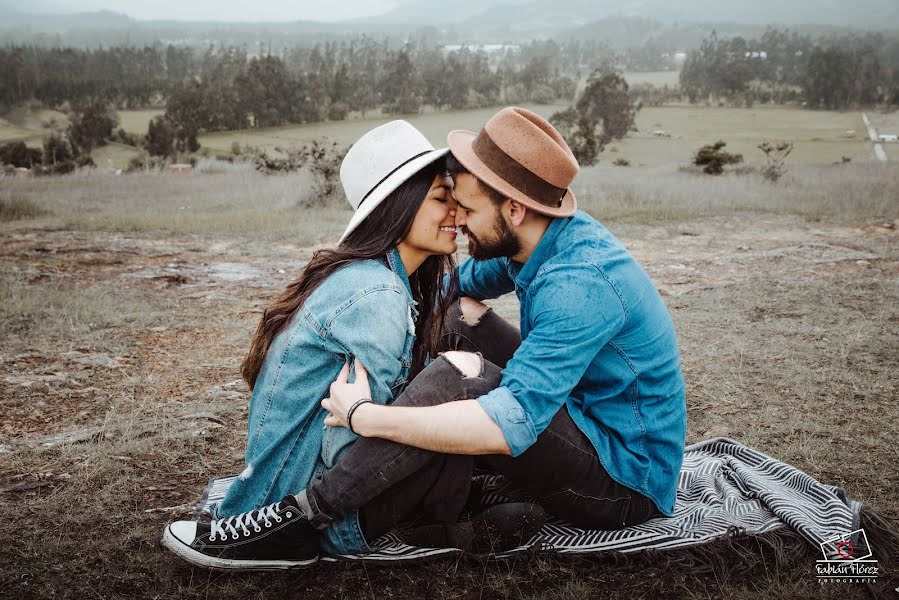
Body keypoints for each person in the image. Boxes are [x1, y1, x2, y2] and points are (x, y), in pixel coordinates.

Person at [164, 107, 687, 570]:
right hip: (583, 418)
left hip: (623, 478)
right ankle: (437, 485)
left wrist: (367, 416)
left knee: (466, 377)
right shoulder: (539, 239)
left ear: (514, 210)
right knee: (457, 318)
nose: (460, 221)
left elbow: (512, 424)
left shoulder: (580, 284)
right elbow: (459, 288)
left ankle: (307, 516)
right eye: (450, 203)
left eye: (468, 209)